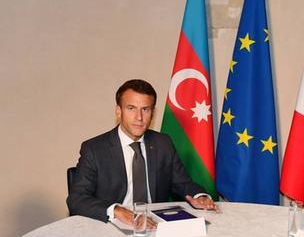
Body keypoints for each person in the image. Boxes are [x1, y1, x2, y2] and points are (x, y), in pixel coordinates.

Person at [66, 79, 216, 225]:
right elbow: (77, 199)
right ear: (119, 112)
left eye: (145, 109)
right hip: (112, 225)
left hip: (154, 224)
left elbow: (183, 183)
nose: (139, 117)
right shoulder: (94, 149)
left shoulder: (163, 143)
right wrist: (117, 210)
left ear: (152, 113)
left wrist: (199, 196)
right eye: (131, 108)